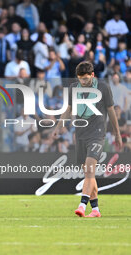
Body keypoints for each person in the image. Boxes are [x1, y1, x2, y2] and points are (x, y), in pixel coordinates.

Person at [52, 61, 122, 218]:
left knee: (90, 169)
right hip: (80, 134)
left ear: (92, 75)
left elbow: (111, 111)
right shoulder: (73, 88)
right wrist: (58, 126)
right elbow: (69, 109)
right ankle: (96, 210)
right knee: (88, 174)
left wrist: (117, 134)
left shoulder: (103, 87)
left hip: (97, 134)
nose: (83, 82)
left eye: (86, 79)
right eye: (80, 79)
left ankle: (82, 205)